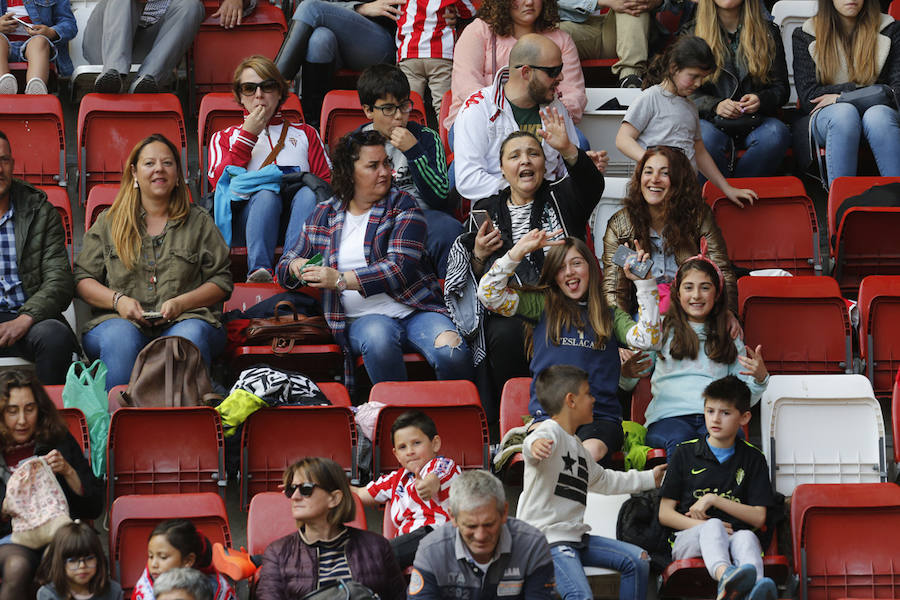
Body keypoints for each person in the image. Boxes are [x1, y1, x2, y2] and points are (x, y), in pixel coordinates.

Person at [276, 130, 473, 391]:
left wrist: (339, 280)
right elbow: (285, 263)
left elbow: (399, 269)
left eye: (386, 164)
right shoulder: (325, 213)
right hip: (361, 319)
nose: (385, 172)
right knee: (379, 341)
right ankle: (399, 420)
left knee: (453, 351)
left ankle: (459, 420)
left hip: (415, 310)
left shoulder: (403, 205)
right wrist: (294, 266)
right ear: (349, 171)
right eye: (373, 166)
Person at [445, 125, 604, 423]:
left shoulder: (563, 196)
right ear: (502, 169)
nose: (525, 161)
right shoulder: (486, 209)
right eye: (515, 156)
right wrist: (479, 255)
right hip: (511, 306)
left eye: (533, 153)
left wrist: (568, 148)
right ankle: (512, 420)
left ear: (544, 164)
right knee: (504, 334)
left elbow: (592, 184)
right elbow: (477, 278)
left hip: (565, 300)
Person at [75, 134, 233, 390]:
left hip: (187, 320)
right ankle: (118, 425)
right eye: (149, 163)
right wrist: (119, 301)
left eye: (167, 163)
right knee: (120, 339)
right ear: (134, 173)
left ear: (178, 173)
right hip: (118, 323)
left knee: (186, 338)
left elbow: (222, 281)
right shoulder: (109, 222)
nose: (159, 168)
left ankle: (186, 426)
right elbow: (82, 279)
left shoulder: (199, 221)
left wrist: (182, 303)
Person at [477, 233, 636, 462]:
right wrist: (517, 252)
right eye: (561, 267)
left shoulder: (610, 315)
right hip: (548, 418)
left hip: (599, 418)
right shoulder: (542, 304)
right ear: (555, 275)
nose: (569, 271)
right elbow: (488, 294)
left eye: (577, 263)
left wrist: (644, 282)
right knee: (545, 450)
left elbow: (648, 340)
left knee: (587, 454)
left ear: (590, 268)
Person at [518, 365, 666, 600]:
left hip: (576, 538)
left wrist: (650, 478)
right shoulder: (550, 432)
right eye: (588, 393)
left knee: (638, 561)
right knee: (580, 595)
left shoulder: (577, 446)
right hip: (546, 540)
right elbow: (534, 442)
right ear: (571, 400)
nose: (593, 399)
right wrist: (534, 446)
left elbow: (605, 480)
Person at [624, 249, 768, 457]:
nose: (696, 295)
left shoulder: (729, 334)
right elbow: (631, 379)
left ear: (717, 293)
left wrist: (759, 379)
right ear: (678, 293)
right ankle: (680, 490)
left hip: (715, 418)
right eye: (689, 288)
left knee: (728, 438)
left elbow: (742, 399)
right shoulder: (660, 329)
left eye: (705, 288)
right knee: (683, 442)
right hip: (668, 419)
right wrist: (626, 373)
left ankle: (719, 490)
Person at [207, 54, 332, 283]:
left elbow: (325, 184)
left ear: (280, 93)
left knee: (308, 192)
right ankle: (259, 272)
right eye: (249, 88)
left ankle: (292, 266)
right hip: (246, 223)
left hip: (301, 219)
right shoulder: (223, 137)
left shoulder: (305, 133)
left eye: (268, 86)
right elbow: (220, 186)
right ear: (239, 96)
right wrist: (248, 135)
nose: (258, 95)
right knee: (266, 194)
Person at [658, 375, 778, 600]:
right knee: (712, 526)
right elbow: (664, 514)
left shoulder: (753, 458)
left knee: (747, 538)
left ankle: (755, 590)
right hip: (688, 538)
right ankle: (726, 577)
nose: (715, 419)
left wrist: (714, 499)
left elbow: (759, 517)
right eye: (710, 411)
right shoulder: (685, 452)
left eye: (725, 413)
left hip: (735, 537)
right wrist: (703, 525)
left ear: (744, 417)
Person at [615, 35, 758, 208]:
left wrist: (726, 188)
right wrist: (652, 162)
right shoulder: (650, 98)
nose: (698, 83)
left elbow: (700, 152)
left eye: (702, 77)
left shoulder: (690, 107)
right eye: (693, 76)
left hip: (684, 196)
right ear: (674, 68)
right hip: (654, 195)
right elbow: (623, 139)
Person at [601, 145, 738, 319]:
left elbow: (721, 270)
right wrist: (623, 336)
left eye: (664, 173)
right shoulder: (621, 224)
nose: (654, 179)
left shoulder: (698, 217)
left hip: (692, 314)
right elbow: (614, 290)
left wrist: (729, 313)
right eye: (648, 172)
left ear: (679, 180)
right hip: (644, 315)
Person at [0, 370, 104, 600]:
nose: (22, 420)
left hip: (59, 534)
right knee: (17, 566)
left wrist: (68, 472)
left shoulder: (58, 439)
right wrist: (5, 508)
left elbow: (94, 506)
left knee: (64, 560)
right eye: (12, 411)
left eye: (29, 409)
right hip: (11, 539)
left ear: (40, 409)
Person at [355, 63, 460, 279]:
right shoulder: (354, 144)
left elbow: (440, 196)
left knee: (450, 229)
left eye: (404, 106)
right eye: (388, 109)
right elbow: (348, 199)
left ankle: (450, 298)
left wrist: (414, 152)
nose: (398, 116)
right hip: (375, 219)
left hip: (423, 215)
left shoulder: (426, 137)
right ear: (368, 111)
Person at [453, 34, 583, 201]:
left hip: (547, 208)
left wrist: (582, 165)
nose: (560, 77)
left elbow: (565, 172)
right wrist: (524, 190)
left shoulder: (555, 106)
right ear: (526, 72)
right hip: (497, 209)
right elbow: (468, 180)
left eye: (561, 69)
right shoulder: (478, 107)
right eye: (553, 71)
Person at [257, 457, 405, 599]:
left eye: (306, 488)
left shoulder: (377, 547)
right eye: (291, 489)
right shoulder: (277, 553)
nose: (294, 496)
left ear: (335, 498)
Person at [792, 0, 900, 188]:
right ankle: (841, 205)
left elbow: (895, 91)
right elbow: (810, 97)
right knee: (845, 114)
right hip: (827, 119)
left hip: (879, 113)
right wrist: (865, 92)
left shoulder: (890, 28)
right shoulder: (806, 33)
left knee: (879, 116)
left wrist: (841, 97)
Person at [0, 131, 78, 385]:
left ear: (12, 164)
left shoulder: (39, 211)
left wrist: (24, 320)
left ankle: (49, 422)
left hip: (31, 316)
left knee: (55, 337)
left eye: (3, 160)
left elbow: (59, 280)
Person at [684, 0, 791, 178]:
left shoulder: (768, 32)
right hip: (710, 121)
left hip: (757, 120)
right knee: (703, 138)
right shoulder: (692, 33)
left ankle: (737, 195)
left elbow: (781, 89)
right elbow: (684, 92)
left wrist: (760, 100)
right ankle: (725, 196)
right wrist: (715, 105)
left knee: (776, 134)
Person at [409, 469, 555, 599]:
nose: (480, 535)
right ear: (452, 517)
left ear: (504, 512)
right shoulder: (431, 550)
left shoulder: (532, 545)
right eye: (471, 526)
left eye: (489, 524)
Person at [444, 0, 586, 130]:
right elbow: (466, 86)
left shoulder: (561, 39)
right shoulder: (478, 31)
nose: (529, 2)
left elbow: (574, 96)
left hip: (543, 121)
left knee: (581, 145)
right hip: (479, 119)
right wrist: (509, 117)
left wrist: (547, 117)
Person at [352, 410, 460, 569]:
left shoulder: (442, 464)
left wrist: (427, 486)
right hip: (409, 544)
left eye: (417, 443)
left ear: (435, 443)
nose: (410, 451)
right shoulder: (395, 479)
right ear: (396, 454)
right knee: (370, 559)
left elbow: (435, 478)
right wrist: (331, 487)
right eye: (402, 447)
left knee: (376, 558)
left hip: (440, 536)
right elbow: (360, 494)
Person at [273, 0, 400, 127]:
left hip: (378, 40)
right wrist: (358, 8)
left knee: (309, 7)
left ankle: (272, 87)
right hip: (336, 43)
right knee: (319, 40)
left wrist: (360, 7)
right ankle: (313, 126)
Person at [82, 0, 209, 93]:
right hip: (104, 43)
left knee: (192, 5)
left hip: (149, 53)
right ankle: (112, 74)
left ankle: (147, 81)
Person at [396, 0, 475, 117]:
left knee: (410, 104)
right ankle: (445, 134)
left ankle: (410, 133)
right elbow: (469, 12)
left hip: (409, 53)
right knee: (443, 106)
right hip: (440, 53)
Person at [557, 0, 657, 88]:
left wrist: (658, 2)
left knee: (632, 2)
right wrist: (601, 1)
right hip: (566, 28)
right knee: (548, 34)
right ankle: (549, 88)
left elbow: (671, 5)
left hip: (619, 30)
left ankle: (630, 79)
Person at [132, 520, 236, 600]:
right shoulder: (145, 587)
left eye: (163, 557)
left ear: (188, 560)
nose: (153, 564)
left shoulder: (216, 589)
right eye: (151, 556)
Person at [0, 0, 76, 94]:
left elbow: (70, 25)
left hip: (37, 48)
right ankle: (3, 85)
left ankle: (36, 88)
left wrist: (51, 32)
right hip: (4, 48)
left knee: (39, 41)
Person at [37, 521, 123, 600]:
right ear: (59, 562)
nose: (82, 566)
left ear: (99, 559)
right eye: (73, 561)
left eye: (89, 558)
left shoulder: (113, 591)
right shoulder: (48, 595)